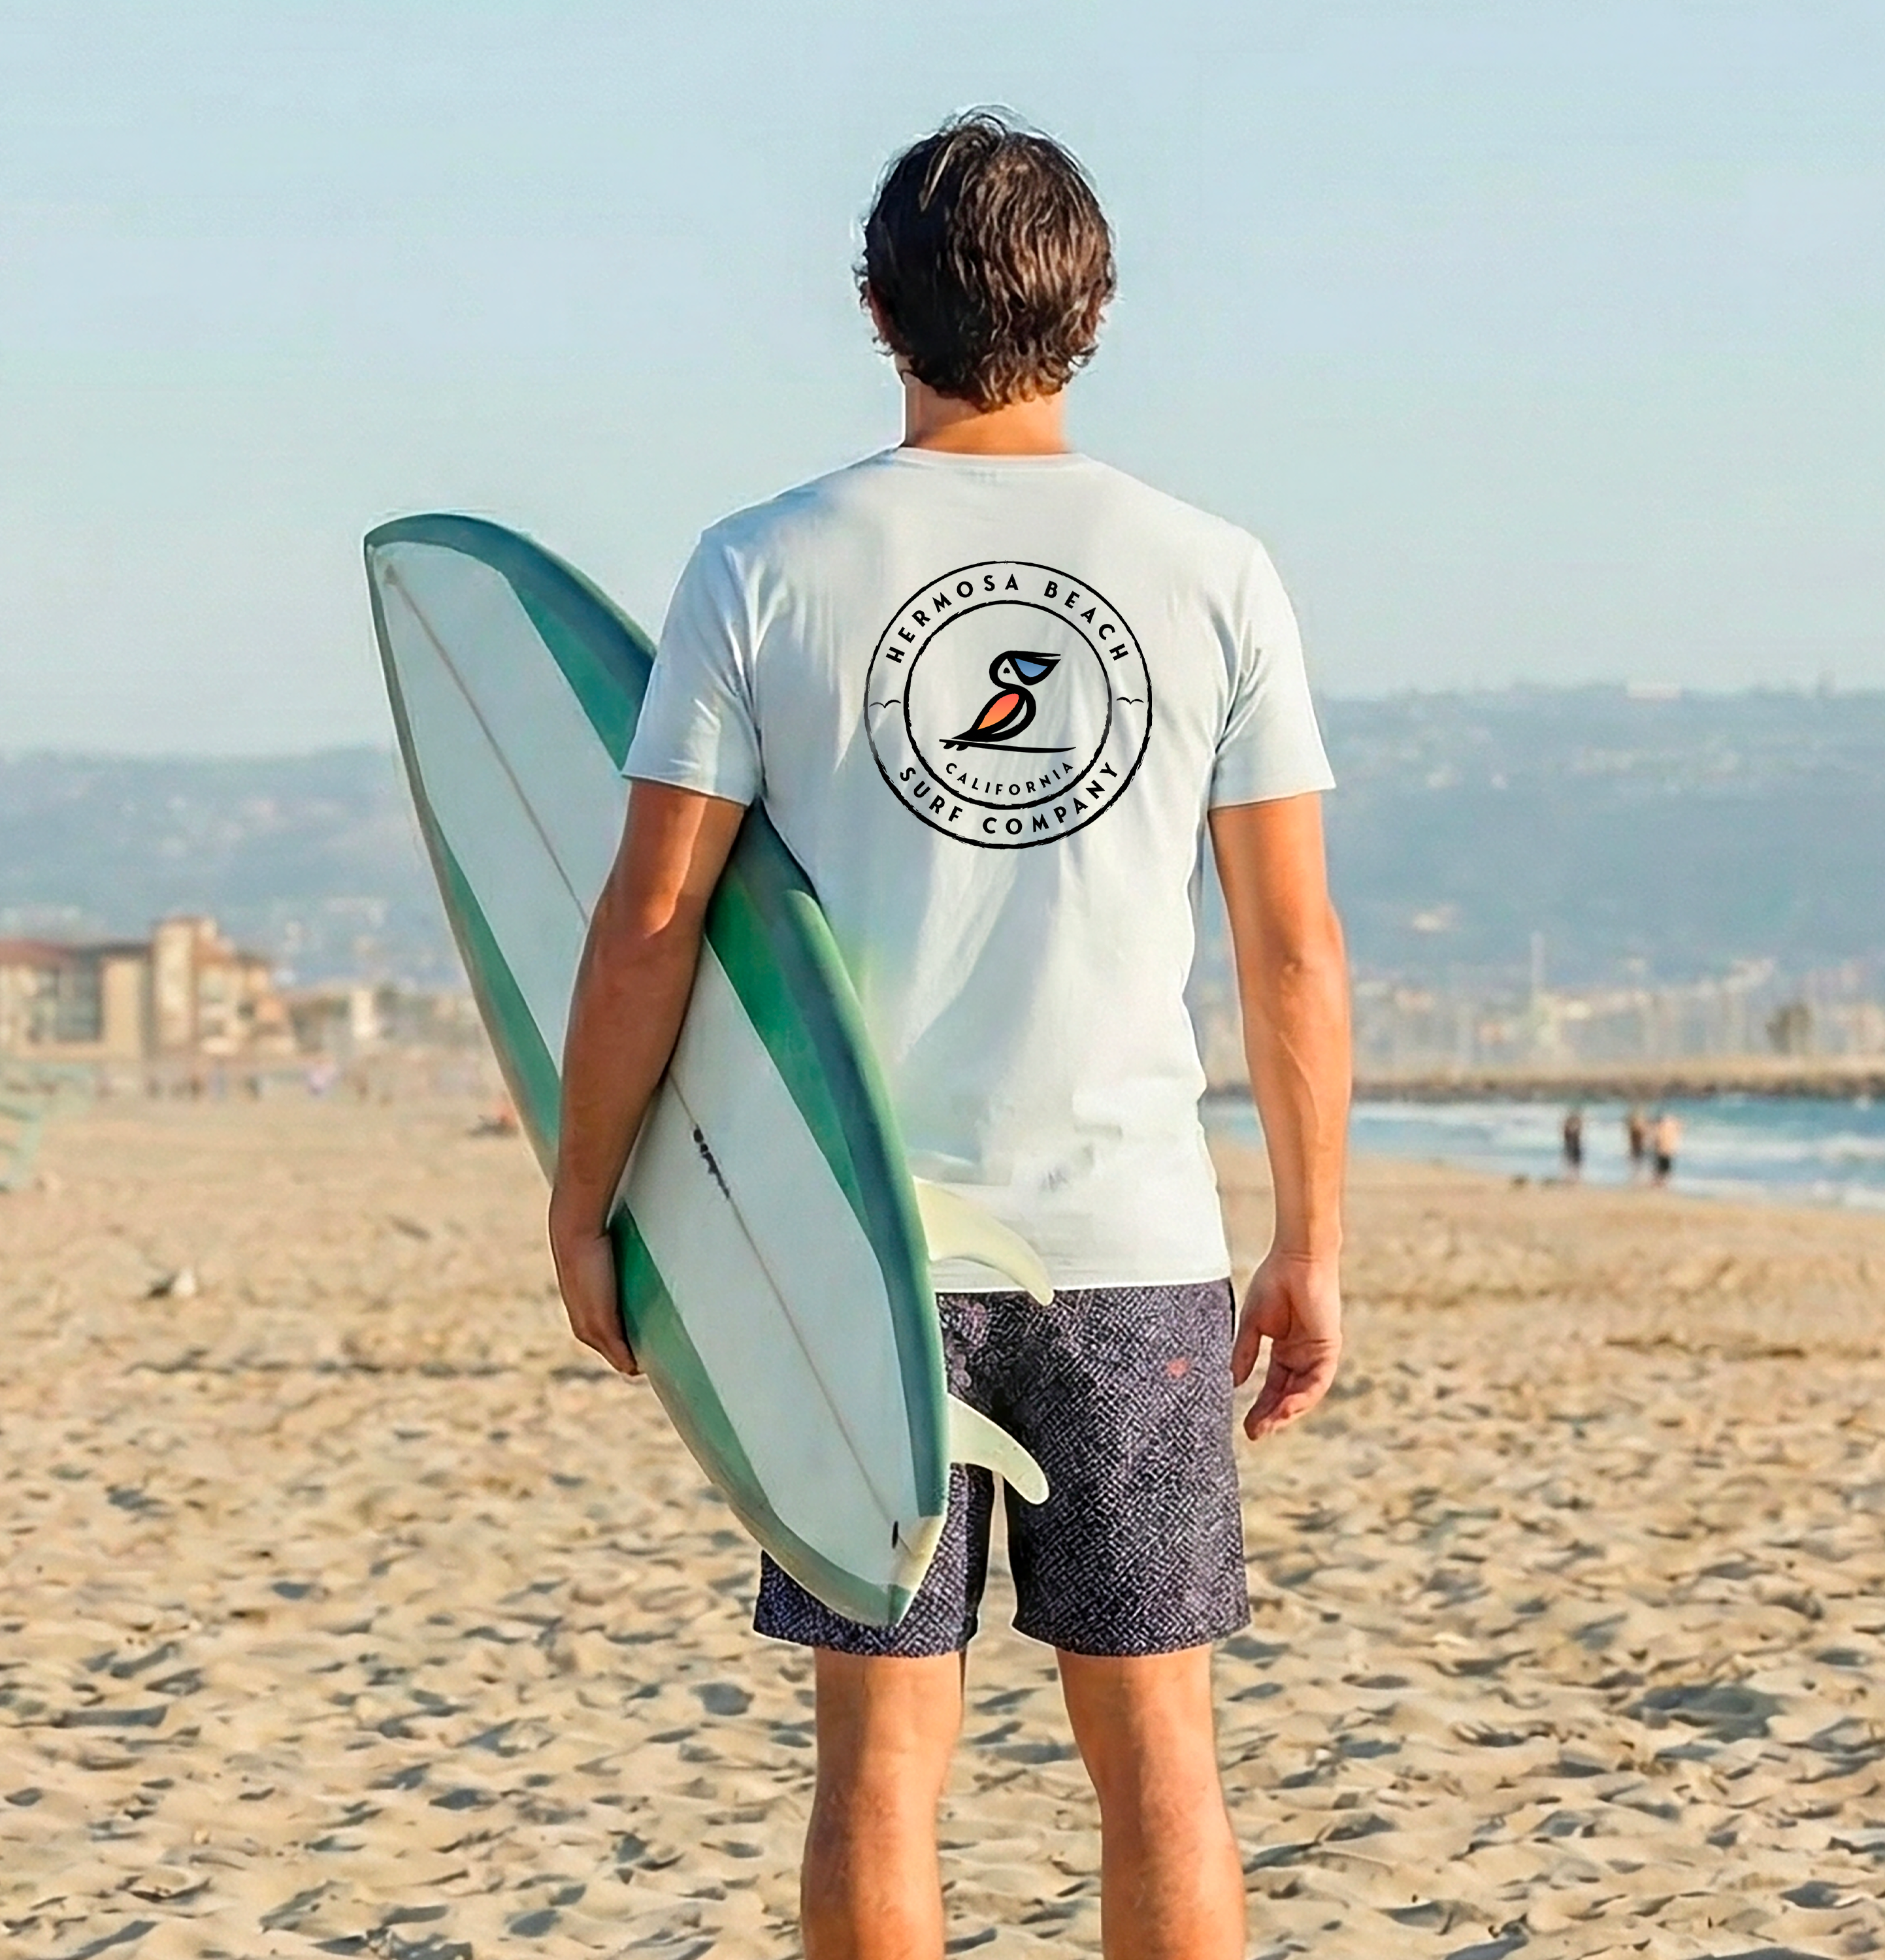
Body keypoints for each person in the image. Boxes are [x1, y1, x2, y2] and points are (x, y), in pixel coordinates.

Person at [546, 113, 1350, 1960]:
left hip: (857, 1255)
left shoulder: (760, 565)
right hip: (1130, 1245)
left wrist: (587, 1195)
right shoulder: (1213, 570)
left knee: (880, 1764)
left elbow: (651, 918)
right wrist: (1310, 1238)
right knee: (1160, 1759)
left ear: (872, 305)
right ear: (1097, 311)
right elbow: (1291, 948)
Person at [1652, 1108, 1681, 1185]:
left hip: (1664, 1150)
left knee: (1662, 1165)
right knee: (1663, 1165)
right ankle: (1661, 1181)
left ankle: (1661, 1180)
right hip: (1664, 1150)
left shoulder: (1662, 1129)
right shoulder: (1663, 1129)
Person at [1561, 1105, 1584, 1181]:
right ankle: (1572, 1176)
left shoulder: (1572, 1128)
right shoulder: (1570, 1128)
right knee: (1572, 1161)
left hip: (1574, 1145)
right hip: (1572, 1145)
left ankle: (1574, 1176)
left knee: (1574, 1161)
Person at [1626, 1103, 1648, 1179]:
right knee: (1637, 1159)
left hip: (1637, 1145)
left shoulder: (1634, 1128)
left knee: (1637, 1159)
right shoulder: (1635, 1129)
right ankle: (1637, 1174)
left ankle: (1637, 1174)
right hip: (1637, 1145)